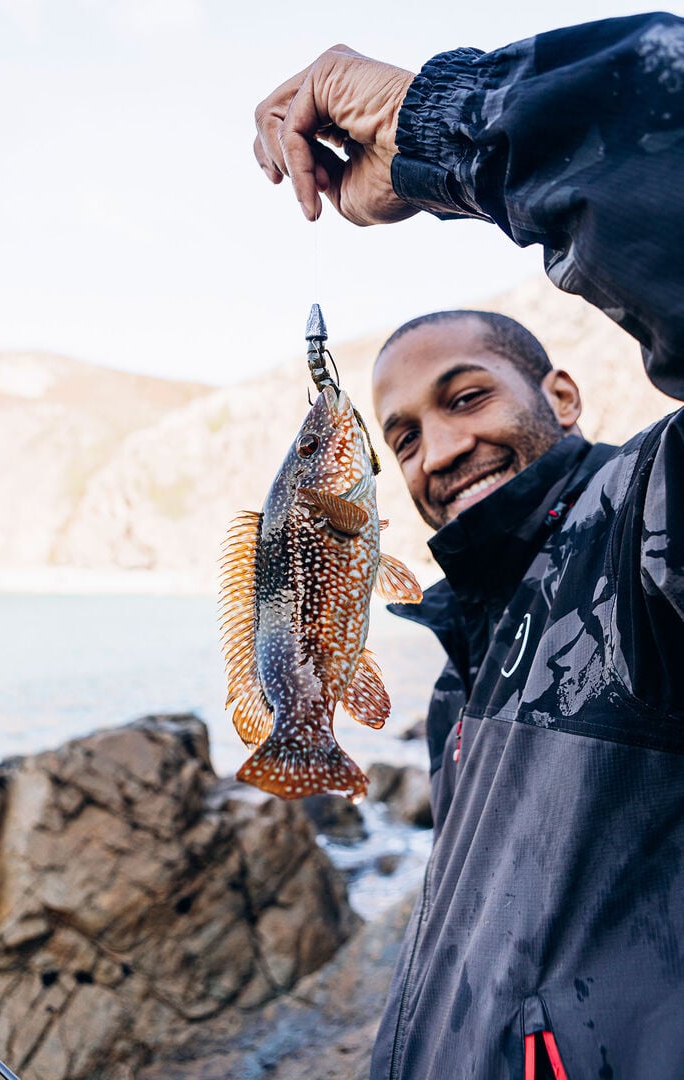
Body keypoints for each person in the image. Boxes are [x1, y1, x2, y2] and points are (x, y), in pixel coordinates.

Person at [254, 11, 684, 1080]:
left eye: (466, 396)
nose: (439, 449)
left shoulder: (648, 532)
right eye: (400, 436)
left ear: (562, 395)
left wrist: (436, 123)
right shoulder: (462, 677)